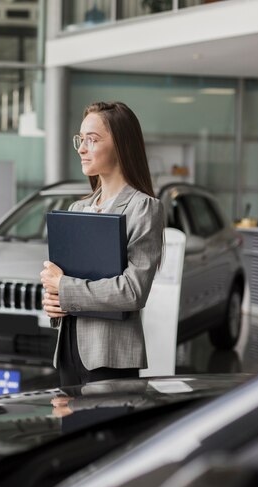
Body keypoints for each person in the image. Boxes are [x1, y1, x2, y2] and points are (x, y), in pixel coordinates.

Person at [40, 101, 164, 387]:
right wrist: (52, 299)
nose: (82, 149)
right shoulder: (77, 209)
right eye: (80, 140)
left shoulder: (143, 208)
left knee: (107, 432)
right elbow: (60, 281)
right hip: (69, 351)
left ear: (120, 145)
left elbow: (133, 291)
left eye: (92, 140)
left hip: (111, 356)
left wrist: (64, 288)